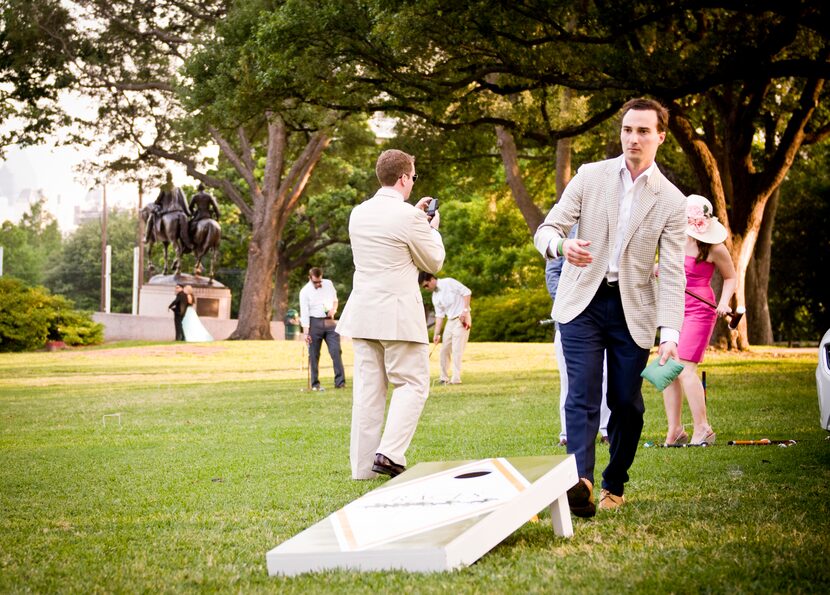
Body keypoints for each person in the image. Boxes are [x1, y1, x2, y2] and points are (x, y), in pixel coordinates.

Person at [533, 98, 687, 516]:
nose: (633, 138)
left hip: (633, 309)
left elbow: (673, 271)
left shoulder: (672, 201)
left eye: (642, 131)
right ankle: (579, 484)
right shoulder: (590, 176)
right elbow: (547, 228)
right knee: (581, 394)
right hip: (582, 301)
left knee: (626, 403)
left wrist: (669, 335)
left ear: (659, 136)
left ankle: (613, 480)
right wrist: (562, 245)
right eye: (627, 130)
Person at [337, 149, 445, 480]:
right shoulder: (410, 218)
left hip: (364, 314)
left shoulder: (359, 213)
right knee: (412, 384)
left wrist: (415, 218)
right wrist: (431, 228)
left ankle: (362, 469)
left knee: (368, 393)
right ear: (402, 178)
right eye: (413, 177)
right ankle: (390, 453)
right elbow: (433, 262)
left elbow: (391, 239)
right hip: (397, 315)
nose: (413, 183)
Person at [661, 194, 736, 446]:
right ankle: (675, 431)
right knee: (666, 368)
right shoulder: (674, 238)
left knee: (683, 367)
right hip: (675, 307)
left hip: (700, 310)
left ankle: (703, 428)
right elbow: (671, 271)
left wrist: (725, 302)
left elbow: (731, 278)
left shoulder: (715, 248)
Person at [544, 225, 611, 447]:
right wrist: (570, 302)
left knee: (605, 375)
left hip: (605, 318)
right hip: (569, 317)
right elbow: (552, 273)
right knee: (569, 379)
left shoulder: (609, 229)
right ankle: (567, 432)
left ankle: (605, 428)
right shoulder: (565, 231)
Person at [418, 272, 471, 385]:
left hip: (462, 318)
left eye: (426, 285)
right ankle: (444, 378)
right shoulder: (435, 296)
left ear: (431, 279)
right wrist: (436, 334)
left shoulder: (449, 282)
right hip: (450, 321)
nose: (426, 288)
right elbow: (439, 316)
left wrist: (465, 311)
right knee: (444, 350)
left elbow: (467, 292)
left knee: (457, 349)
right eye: (424, 287)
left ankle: (456, 379)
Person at [299, 267, 346, 391]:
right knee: (314, 354)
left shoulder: (328, 284)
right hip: (314, 323)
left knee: (336, 351)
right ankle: (315, 384)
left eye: (320, 281)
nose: (319, 284)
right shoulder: (305, 292)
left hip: (330, 322)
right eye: (316, 282)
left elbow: (335, 300)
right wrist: (306, 333)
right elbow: (304, 313)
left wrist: (334, 309)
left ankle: (340, 382)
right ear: (310, 278)